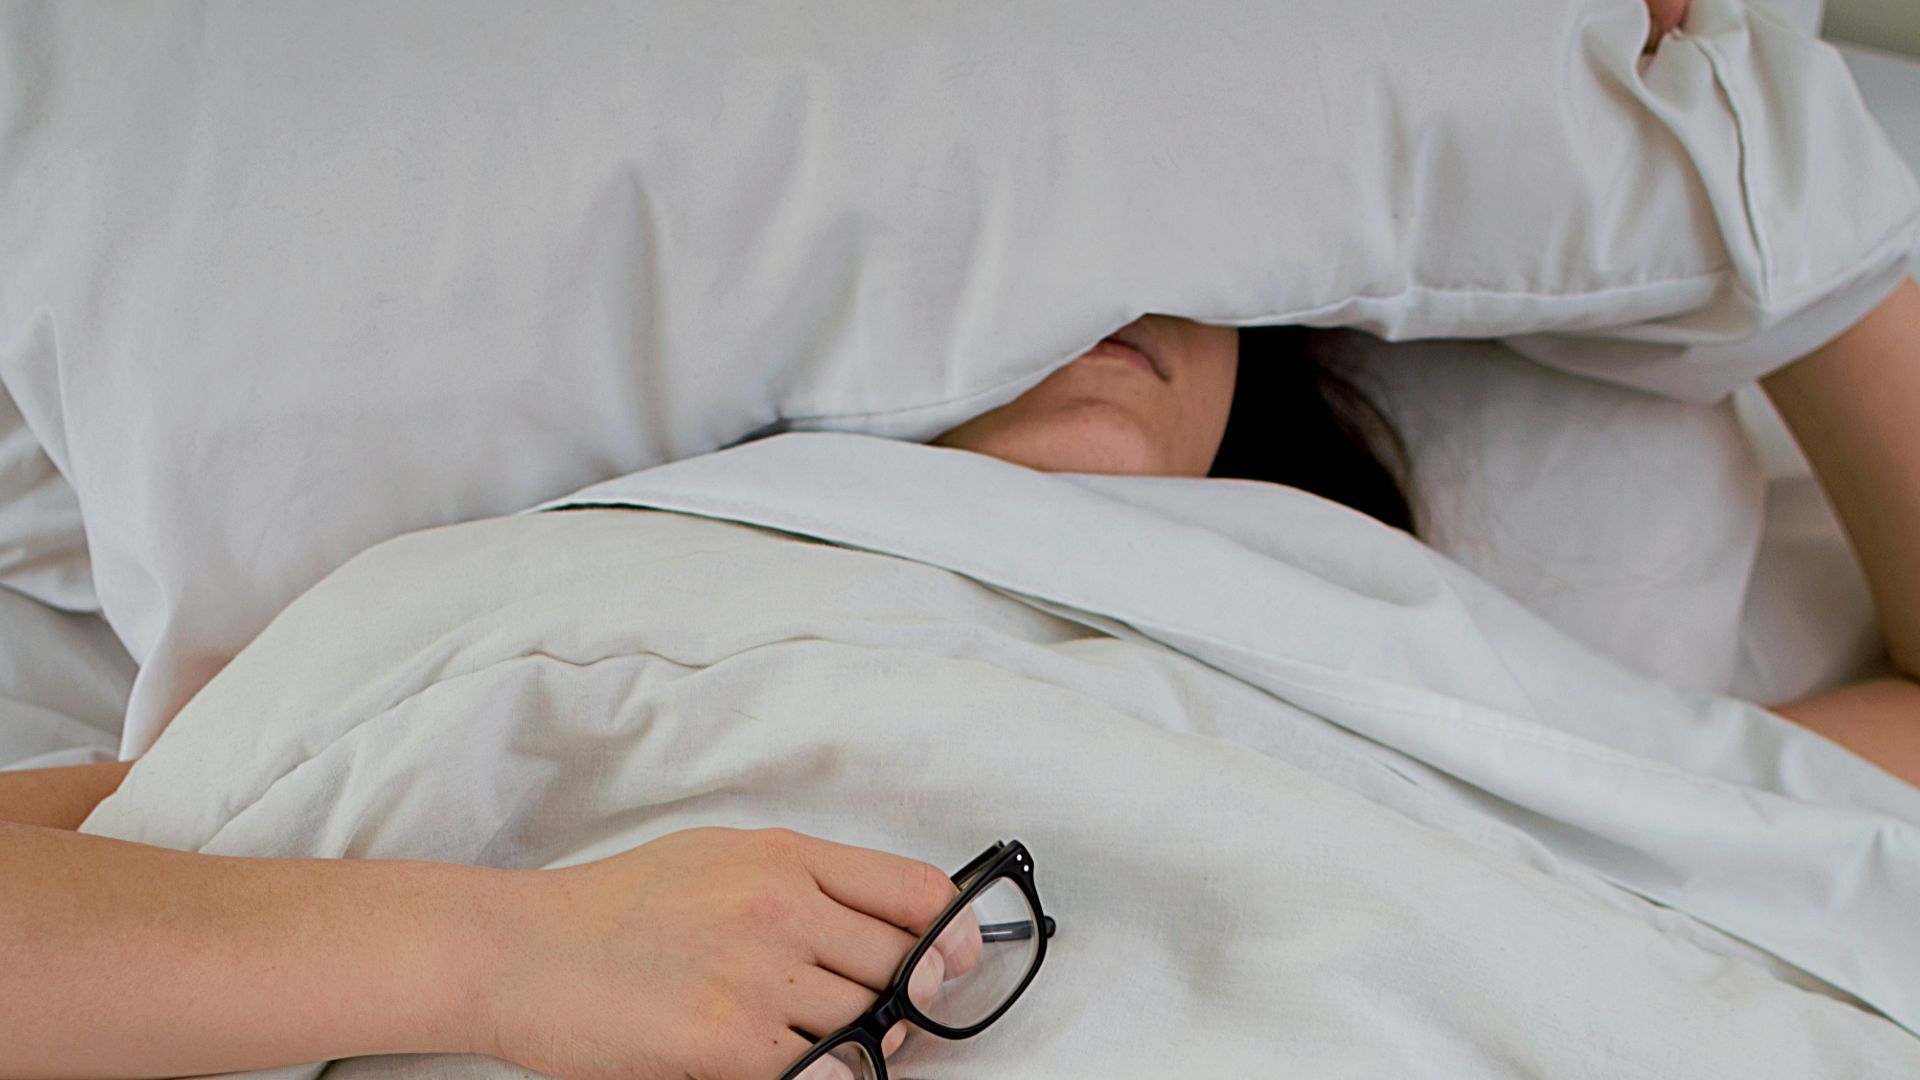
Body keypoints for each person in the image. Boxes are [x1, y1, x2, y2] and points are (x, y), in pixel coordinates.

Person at [9, 12, 1920, 1080]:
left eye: (1184, 265)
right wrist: (500, 957)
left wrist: (1750, 150)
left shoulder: (1395, 657)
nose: (1105, 291)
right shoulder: (593, 593)